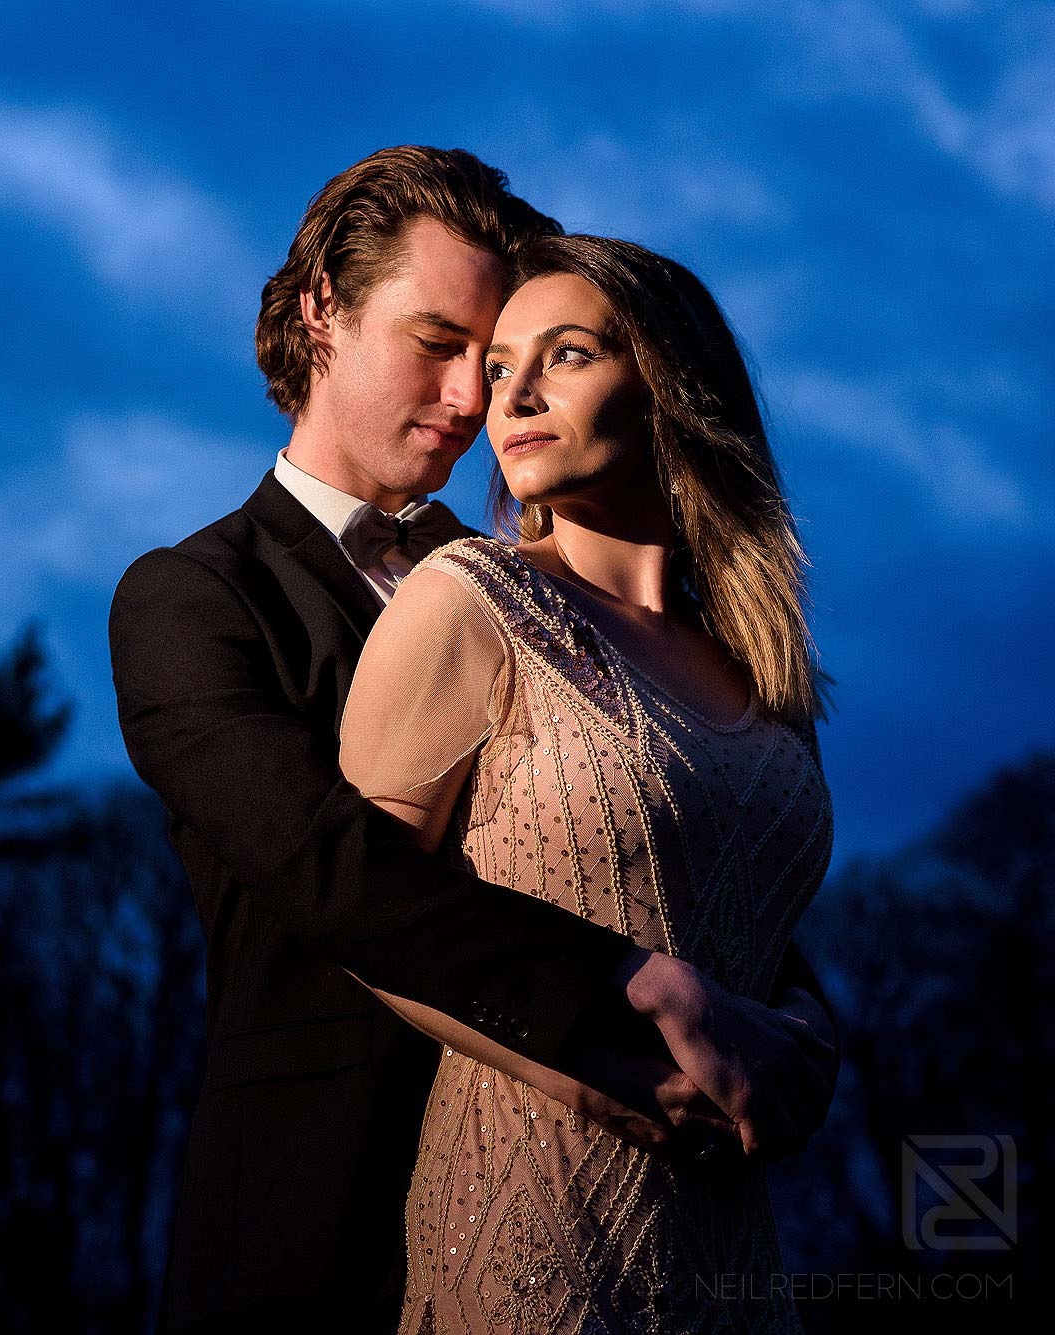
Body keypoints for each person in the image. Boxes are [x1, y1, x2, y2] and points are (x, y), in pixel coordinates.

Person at [106, 147, 838, 1330]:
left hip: (625, 1194)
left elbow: (656, 844)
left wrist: (786, 1016)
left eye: (489, 361)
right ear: (321, 314)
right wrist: (629, 996)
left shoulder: (540, 586)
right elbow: (324, 861)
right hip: (326, 1205)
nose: (471, 400)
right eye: (439, 345)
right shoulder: (192, 598)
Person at [338, 233, 835, 1332]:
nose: (510, 393)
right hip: (534, 1223)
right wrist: (600, 1072)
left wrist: (807, 1031)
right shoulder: (467, 598)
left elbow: (750, 914)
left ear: (667, 384)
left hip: (732, 1242)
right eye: (500, 365)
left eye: (563, 355)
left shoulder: (760, 666)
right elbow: (362, 913)